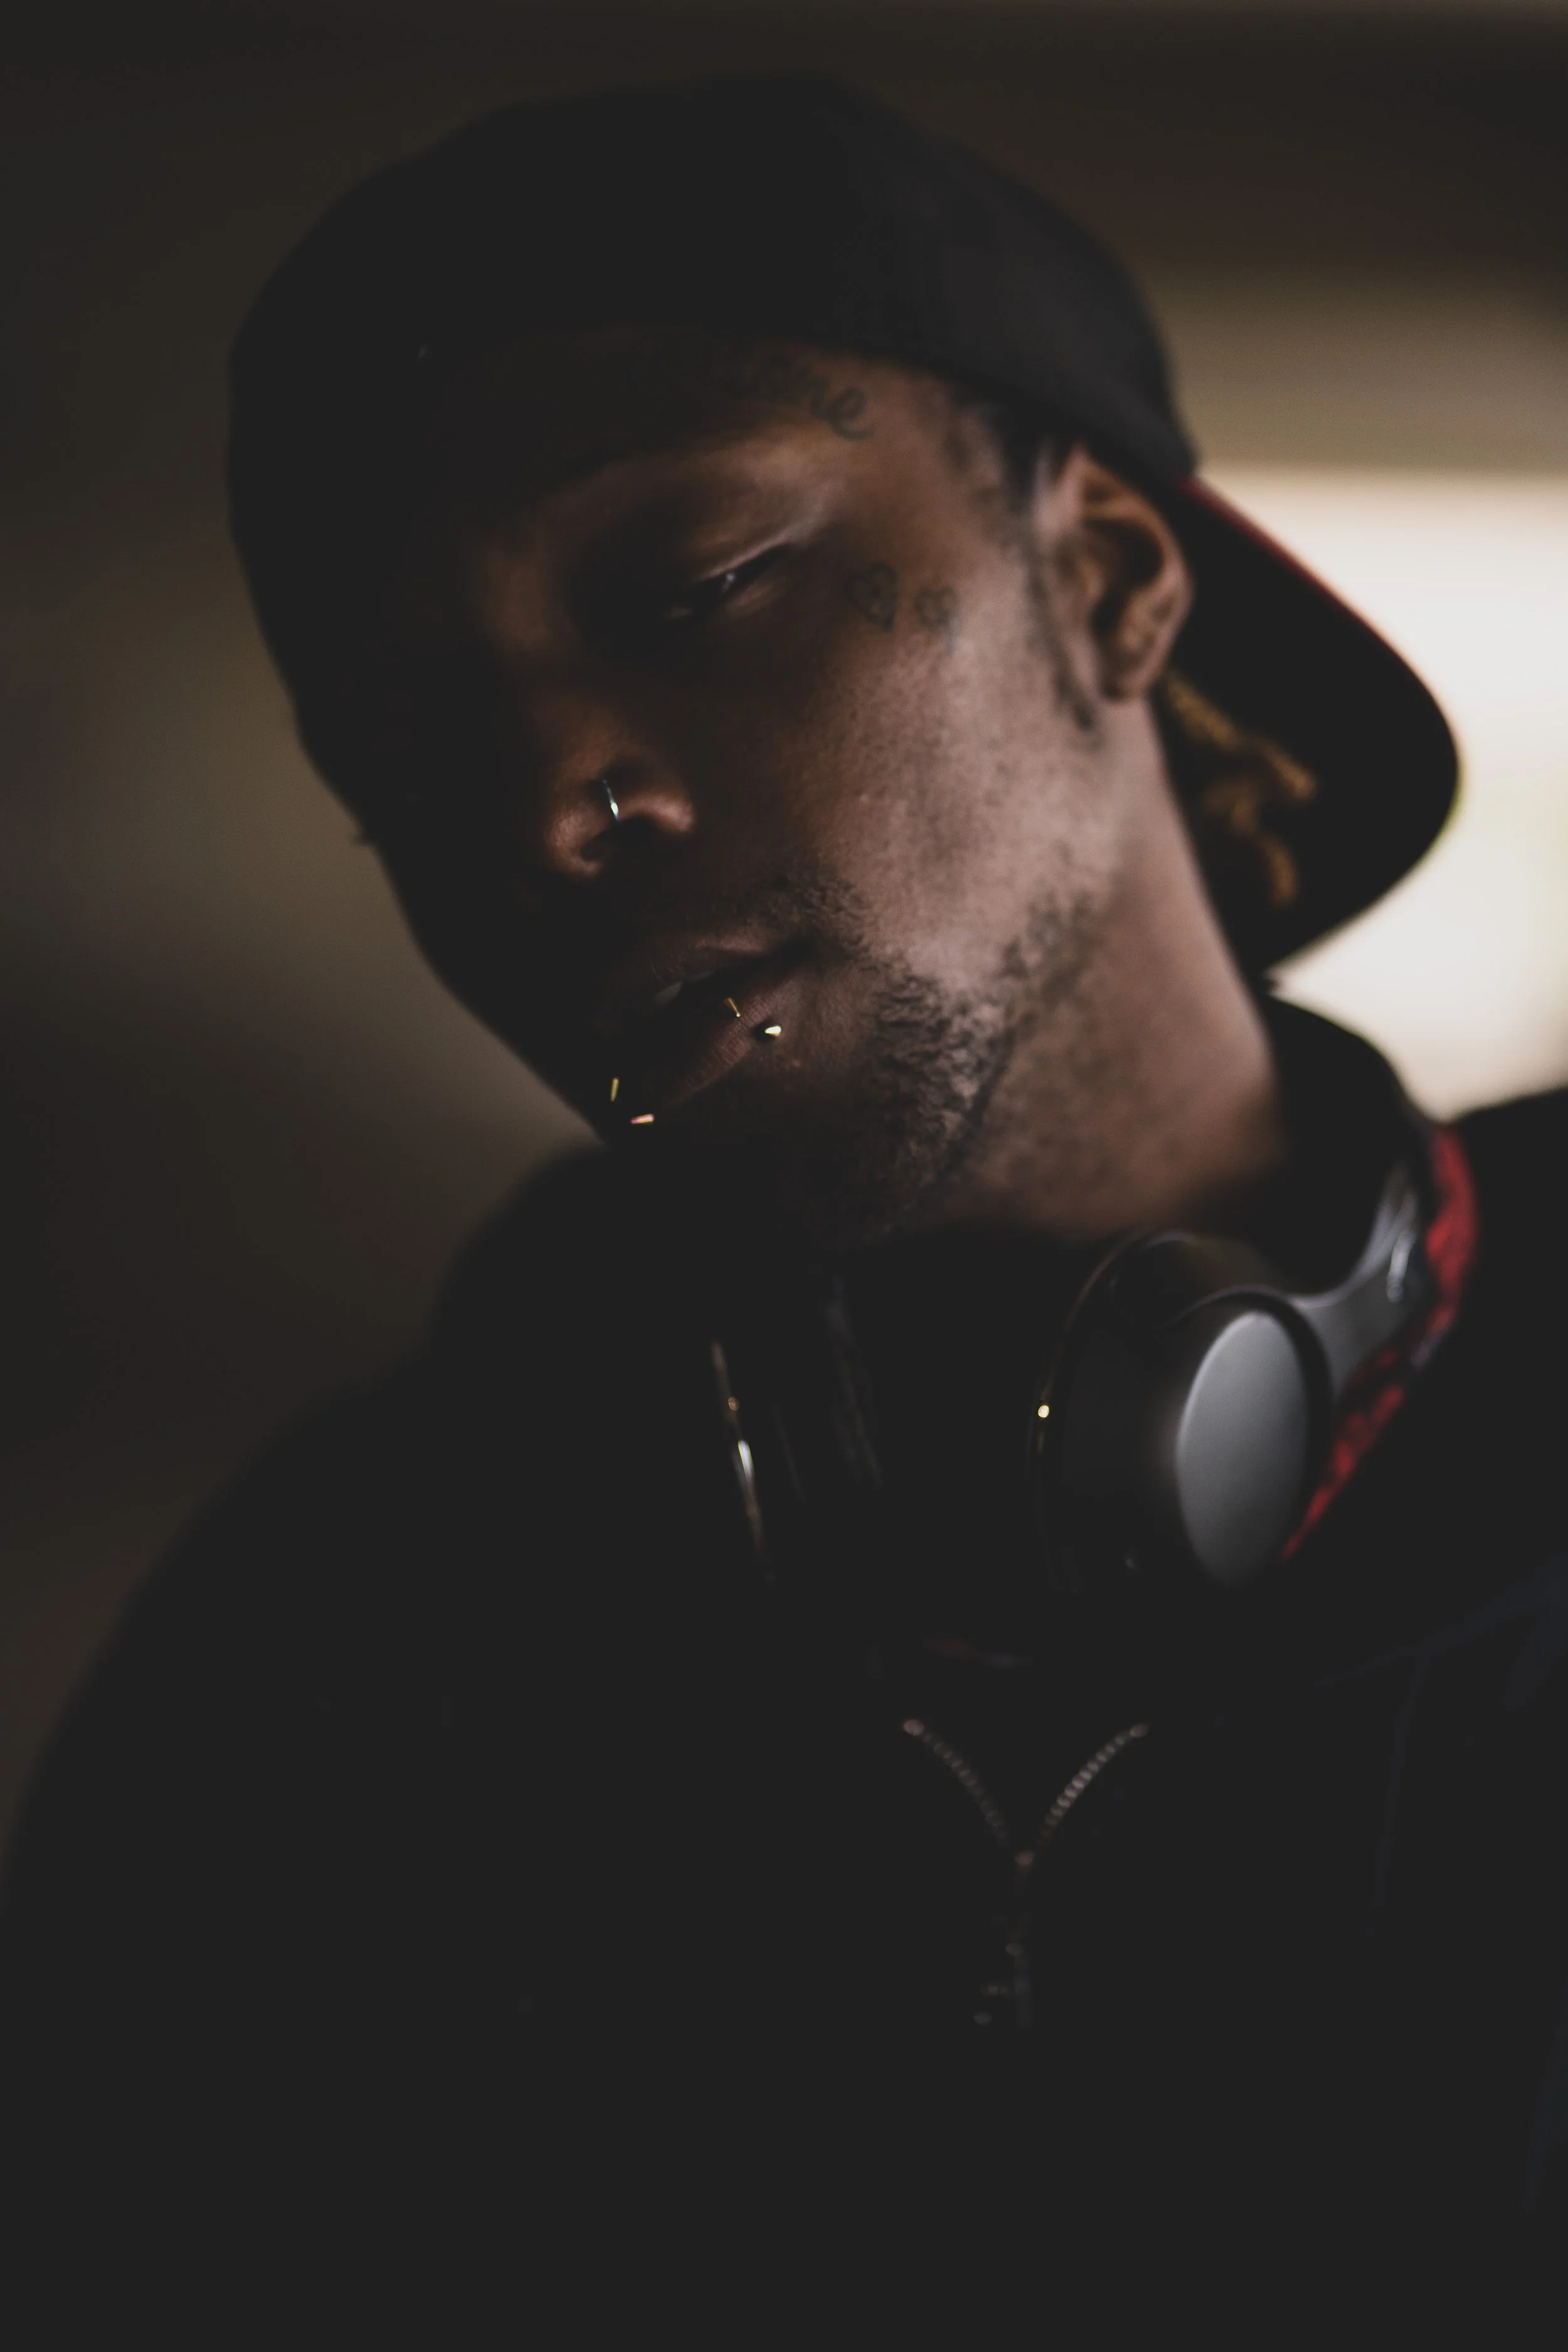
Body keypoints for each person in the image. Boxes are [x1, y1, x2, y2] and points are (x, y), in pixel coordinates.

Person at [2, 73, 1564, 2328]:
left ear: (1111, 581)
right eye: (408, 747)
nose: (547, 799)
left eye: (693, 585)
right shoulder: (306, 1681)